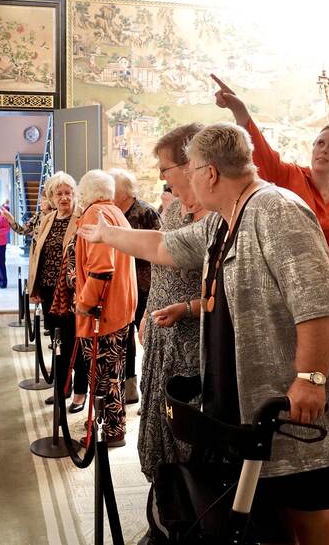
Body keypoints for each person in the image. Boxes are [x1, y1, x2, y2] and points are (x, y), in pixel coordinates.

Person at [79, 122, 329, 545]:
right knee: (278, 505)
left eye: (189, 170)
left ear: (209, 172)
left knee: (308, 508)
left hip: (303, 391)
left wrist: (310, 378)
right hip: (266, 391)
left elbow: (317, 302)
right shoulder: (225, 220)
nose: (184, 181)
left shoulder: (277, 209)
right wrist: (107, 234)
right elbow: (164, 246)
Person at [211, 74, 329, 252]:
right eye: (320, 143)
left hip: (321, 268)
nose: (324, 149)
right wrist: (239, 109)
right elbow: (261, 151)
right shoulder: (290, 175)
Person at [137, 123, 206, 484]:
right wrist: (147, 312)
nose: (161, 176)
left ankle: (186, 499)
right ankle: (165, 496)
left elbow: (229, 291)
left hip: (192, 342)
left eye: (165, 167)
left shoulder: (217, 214)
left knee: (186, 430)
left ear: (190, 164)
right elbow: (160, 268)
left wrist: (187, 308)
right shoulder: (176, 209)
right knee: (157, 420)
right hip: (162, 331)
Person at [74, 170, 137, 447]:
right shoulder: (116, 213)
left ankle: (109, 430)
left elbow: (101, 269)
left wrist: (85, 303)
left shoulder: (94, 214)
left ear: (86, 192)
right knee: (114, 373)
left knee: (103, 377)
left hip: (103, 312)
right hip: (120, 307)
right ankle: (112, 425)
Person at [24, 172, 87, 412]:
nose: (64, 197)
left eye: (68, 192)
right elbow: (36, 255)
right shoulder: (48, 218)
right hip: (49, 292)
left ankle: (80, 392)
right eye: (59, 193)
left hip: (72, 293)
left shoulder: (81, 218)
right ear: (51, 197)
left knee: (75, 342)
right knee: (57, 343)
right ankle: (62, 388)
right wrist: (35, 288)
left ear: (74, 194)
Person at [109, 167, 161, 406]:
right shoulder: (114, 213)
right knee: (125, 337)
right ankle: (129, 388)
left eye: (113, 188)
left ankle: (148, 394)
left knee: (146, 338)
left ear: (124, 191)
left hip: (145, 286)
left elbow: (160, 247)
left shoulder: (145, 212)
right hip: (122, 285)